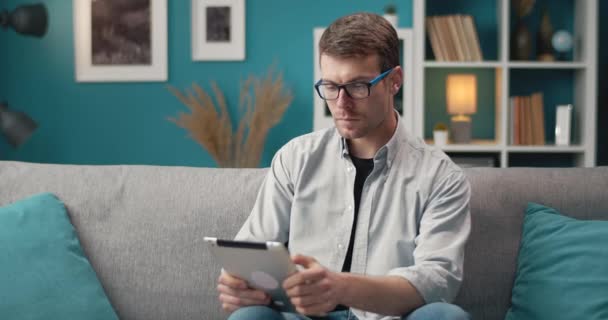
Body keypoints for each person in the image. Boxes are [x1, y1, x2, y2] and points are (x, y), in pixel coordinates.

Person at [216, 12, 471, 320]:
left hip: (387, 318)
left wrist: (340, 288)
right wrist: (236, 284)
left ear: (394, 81)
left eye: (358, 86)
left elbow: (437, 283)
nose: (341, 103)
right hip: (302, 317)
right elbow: (249, 253)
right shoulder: (294, 159)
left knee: (446, 316)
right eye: (331, 86)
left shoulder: (441, 177)